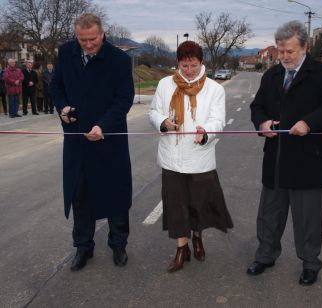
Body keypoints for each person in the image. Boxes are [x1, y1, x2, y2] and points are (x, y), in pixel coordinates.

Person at [247, 20, 322, 286]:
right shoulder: (272, 75)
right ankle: (266, 255)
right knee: (269, 214)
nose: (284, 56)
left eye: (290, 51)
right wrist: (262, 123)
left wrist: (309, 122)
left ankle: (310, 264)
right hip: (276, 159)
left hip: (308, 161)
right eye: (280, 51)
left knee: (308, 219)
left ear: (305, 47)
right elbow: (258, 107)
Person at [51, 13, 135, 272]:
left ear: (102, 34)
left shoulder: (120, 60)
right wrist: (63, 107)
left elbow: (124, 99)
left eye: (92, 39)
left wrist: (103, 126)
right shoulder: (66, 53)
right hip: (77, 140)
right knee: (80, 195)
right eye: (82, 39)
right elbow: (56, 87)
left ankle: (118, 245)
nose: (87, 44)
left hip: (109, 140)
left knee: (116, 196)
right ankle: (83, 247)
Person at [149, 40, 233, 273]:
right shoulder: (165, 84)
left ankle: (197, 238)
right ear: (178, 63)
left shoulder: (215, 89)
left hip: (199, 157)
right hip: (172, 158)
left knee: (199, 206)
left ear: (201, 63)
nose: (188, 71)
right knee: (176, 206)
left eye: (193, 65)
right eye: (184, 66)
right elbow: (153, 111)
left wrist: (206, 132)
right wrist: (162, 122)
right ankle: (181, 249)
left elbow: (219, 120)